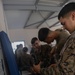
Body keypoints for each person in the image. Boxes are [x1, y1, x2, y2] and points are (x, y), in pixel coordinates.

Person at [33, 2, 75, 75]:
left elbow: (64, 71)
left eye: (64, 23)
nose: (63, 28)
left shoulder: (69, 39)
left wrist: (40, 70)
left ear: (73, 16)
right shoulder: (59, 32)